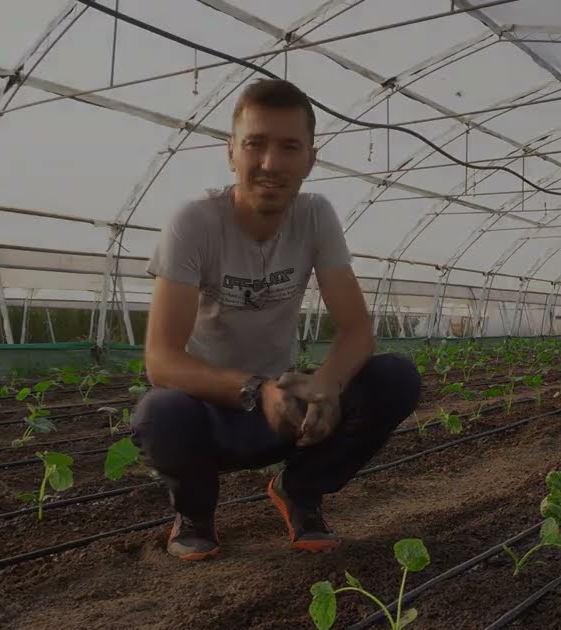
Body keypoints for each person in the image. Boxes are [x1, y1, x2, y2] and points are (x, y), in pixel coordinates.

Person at [131, 78, 422, 561]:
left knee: (395, 377)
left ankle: (301, 491)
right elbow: (161, 361)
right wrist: (254, 389)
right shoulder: (195, 222)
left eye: (289, 147)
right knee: (160, 413)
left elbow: (356, 331)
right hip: (210, 411)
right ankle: (195, 514)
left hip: (286, 412)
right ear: (231, 152)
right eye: (255, 144)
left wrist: (326, 385)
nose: (270, 163)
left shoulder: (315, 216)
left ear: (310, 158)